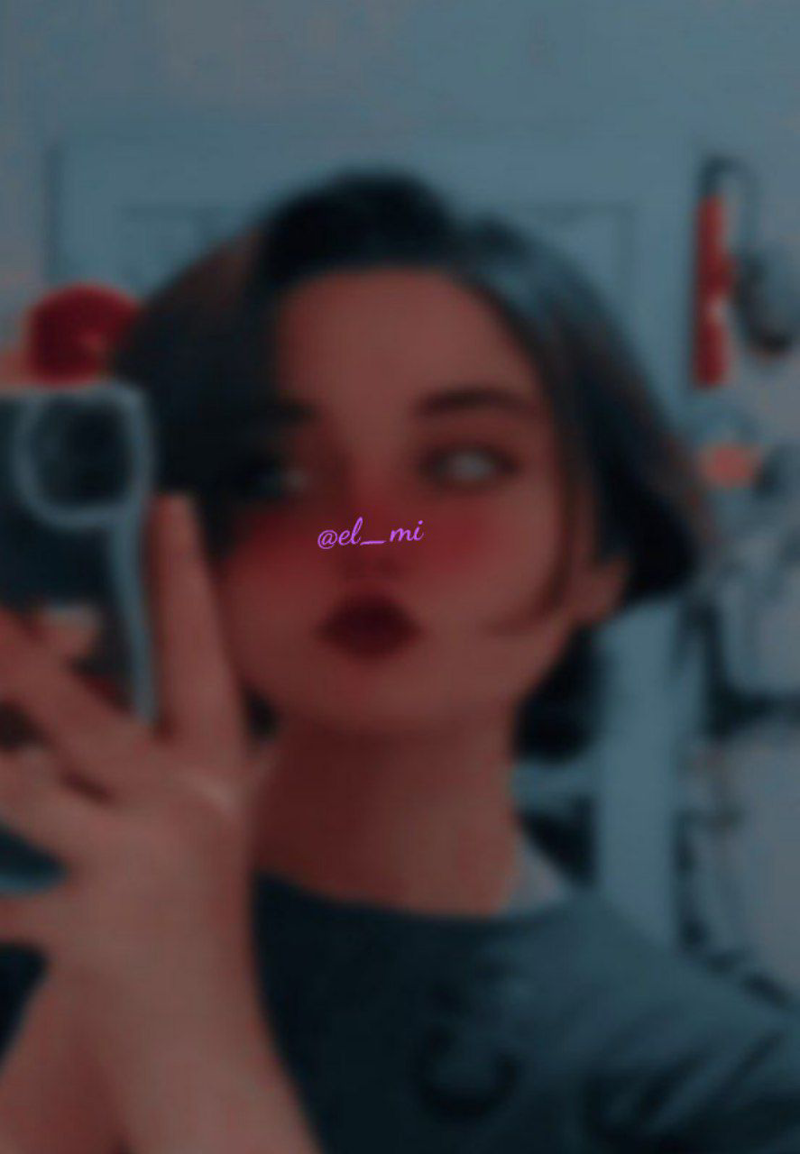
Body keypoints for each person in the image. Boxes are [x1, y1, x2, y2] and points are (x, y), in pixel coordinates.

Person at [0, 168, 798, 1153]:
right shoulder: (37, 938)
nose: (369, 533)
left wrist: (177, 1018)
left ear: (601, 551)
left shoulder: (721, 1081)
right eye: (272, 475)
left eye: (463, 463)